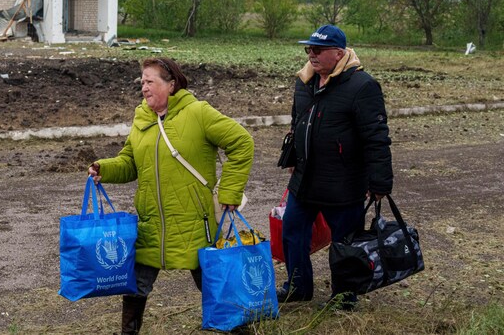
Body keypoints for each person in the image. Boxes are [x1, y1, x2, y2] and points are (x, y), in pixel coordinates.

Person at [88, 57, 254, 334]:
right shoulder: (142, 117)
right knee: (137, 285)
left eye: (150, 81)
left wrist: (230, 190)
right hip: (151, 220)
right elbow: (130, 162)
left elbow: (242, 142)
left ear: (171, 84)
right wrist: (104, 168)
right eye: (142, 81)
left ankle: (239, 330)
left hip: (193, 221)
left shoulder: (198, 113)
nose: (144, 87)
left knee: (212, 282)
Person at [277, 24, 393, 310]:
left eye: (318, 50)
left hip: (343, 183)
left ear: (338, 53)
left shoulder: (363, 86)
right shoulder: (304, 82)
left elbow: (376, 137)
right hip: (304, 180)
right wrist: (293, 158)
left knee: (345, 243)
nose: (311, 55)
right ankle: (297, 287)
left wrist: (380, 183)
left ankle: (344, 296)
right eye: (308, 49)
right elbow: (297, 123)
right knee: (292, 231)